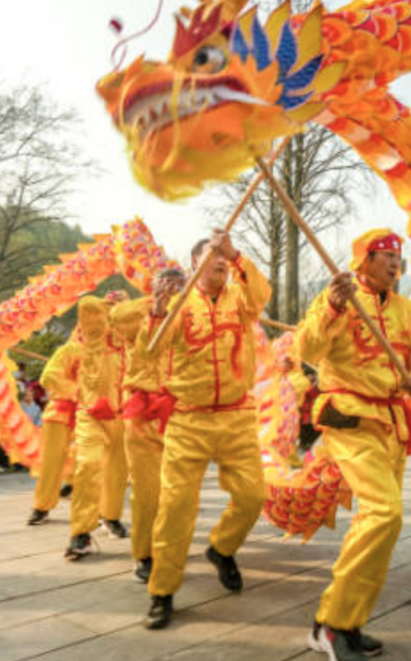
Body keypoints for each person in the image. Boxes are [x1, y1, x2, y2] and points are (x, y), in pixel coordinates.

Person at [297, 229, 411, 661]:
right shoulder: (336, 297)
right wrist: (333, 308)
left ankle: (349, 620)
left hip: (392, 424)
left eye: (398, 256)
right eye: (385, 256)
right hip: (351, 418)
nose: (395, 263)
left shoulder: (407, 310)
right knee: (384, 512)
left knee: (382, 526)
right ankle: (332, 624)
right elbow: (308, 348)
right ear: (364, 261)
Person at [143, 229, 270, 630]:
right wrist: (158, 311)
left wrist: (238, 255)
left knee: (253, 496)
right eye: (212, 254)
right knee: (176, 507)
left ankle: (222, 547)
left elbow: (261, 294)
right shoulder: (180, 304)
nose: (220, 260)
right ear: (195, 263)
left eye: (224, 256)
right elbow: (152, 348)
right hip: (189, 419)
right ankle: (162, 591)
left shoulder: (241, 299)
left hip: (237, 416)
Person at [110, 266, 186, 583]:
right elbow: (117, 319)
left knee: (181, 493)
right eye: (164, 282)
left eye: (178, 285)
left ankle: (171, 549)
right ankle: (144, 554)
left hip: (183, 413)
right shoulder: (136, 312)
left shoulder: (192, 314)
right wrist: (155, 307)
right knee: (147, 492)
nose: (170, 288)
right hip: (143, 414)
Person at [64, 295, 131, 561]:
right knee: (88, 465)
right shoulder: (90, 336)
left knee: (118, 474)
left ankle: (110, 516)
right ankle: (81, 532)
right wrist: (111, 306)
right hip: (91, 414)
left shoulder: (134, 338)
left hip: (125, 415)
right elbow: (86, 305)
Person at [28, 334, 83, 526]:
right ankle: (41, 507)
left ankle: (103, 512)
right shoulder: (69, 350)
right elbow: (49, 376)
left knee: (92, 458)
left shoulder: (112, 353)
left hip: (91, 413)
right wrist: (79, 390)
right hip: (61, 412)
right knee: (51, 462)